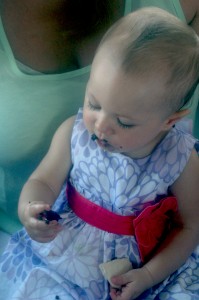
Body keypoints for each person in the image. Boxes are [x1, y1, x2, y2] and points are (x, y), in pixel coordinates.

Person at [1, 7, 199, 300]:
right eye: (94, 103)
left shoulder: (179, 158)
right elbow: (43, 180)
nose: (101, 126)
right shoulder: (75, 132)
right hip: (66, 262)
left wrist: (148, 276)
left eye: (124, 122)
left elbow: (190, 227)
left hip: (147, 270)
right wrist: (31, 208)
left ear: (169, 121)